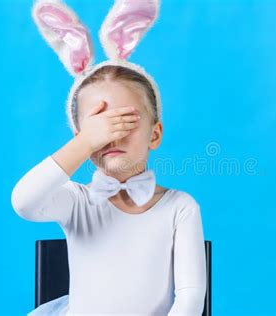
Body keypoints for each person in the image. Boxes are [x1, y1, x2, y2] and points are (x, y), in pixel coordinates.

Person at [11, 1, 207, 315]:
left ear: (154, 135)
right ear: (81, 138)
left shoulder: (180, 207)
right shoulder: (76, 201)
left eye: (124, 122)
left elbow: (190, 297)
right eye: (98, 127)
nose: (111, 136)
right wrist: (86, 142)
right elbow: (24, 202)